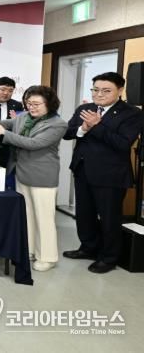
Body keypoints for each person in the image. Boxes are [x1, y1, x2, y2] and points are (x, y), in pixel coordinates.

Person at [62, 72, 144, 274]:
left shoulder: (132, 113)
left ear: (120, 90)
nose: (99, 94)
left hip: (111, 175)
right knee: (85, 214)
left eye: (106, 91)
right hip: (83, 169)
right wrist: (83, 128)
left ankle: (109, 257)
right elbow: (67, 133)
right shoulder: (85, 108)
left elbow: (122, 144)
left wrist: (96, 125)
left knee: (109, 218)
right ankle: (88, 248)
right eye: (95, 90)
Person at [0, 85, 68, 272]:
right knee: (27, 215)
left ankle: (47, 257)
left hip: (42, 175)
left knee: (44, 218)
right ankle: (29, 250)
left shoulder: (58, 124)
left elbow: (34, 143)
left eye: (36, 104)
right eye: (29, 103)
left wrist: (4, 134)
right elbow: (5, 124)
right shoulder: (24, 117)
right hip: (21, 172)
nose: (32, 107)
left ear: (49, 104)